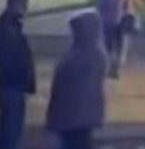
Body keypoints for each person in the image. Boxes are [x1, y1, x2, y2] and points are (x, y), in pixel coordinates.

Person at [46, 11, 107, 149]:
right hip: (75, 116)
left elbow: (74, 88)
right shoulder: (82, 52)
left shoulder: (88, 54)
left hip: (76, 116)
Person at [0, 0, 35, 149]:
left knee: (9, 131)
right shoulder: (7, 28)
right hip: (12, 85)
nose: (25, 7)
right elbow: (3, 59)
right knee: (11, 132)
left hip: (13, 85)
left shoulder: (11, 26)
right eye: (23, 3)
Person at [95, 0, 142, 79]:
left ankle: (109, 67)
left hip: (108, 22)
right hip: (124, 22)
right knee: (122, 47)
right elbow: (139, 3)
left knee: (109, 46)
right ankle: (117, 69)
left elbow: (98, 5)